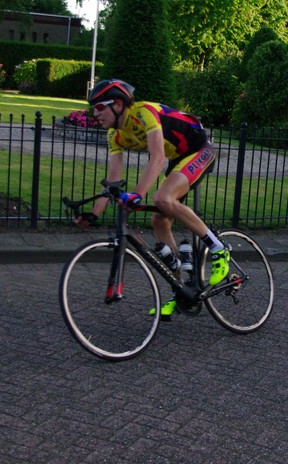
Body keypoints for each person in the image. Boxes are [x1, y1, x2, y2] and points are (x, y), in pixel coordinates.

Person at [74, 79, 229, 320]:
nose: (95, 113)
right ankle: (181, 290)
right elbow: (113, 180)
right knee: (159, 220)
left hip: (199, 149)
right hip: (178, 157)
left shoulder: (143, 113)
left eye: (100, 107)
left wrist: (137, 194)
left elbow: (157, 158)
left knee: (163, 198)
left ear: (117, 104)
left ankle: (218, 248)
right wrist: (93, 214)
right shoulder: (114, 134)